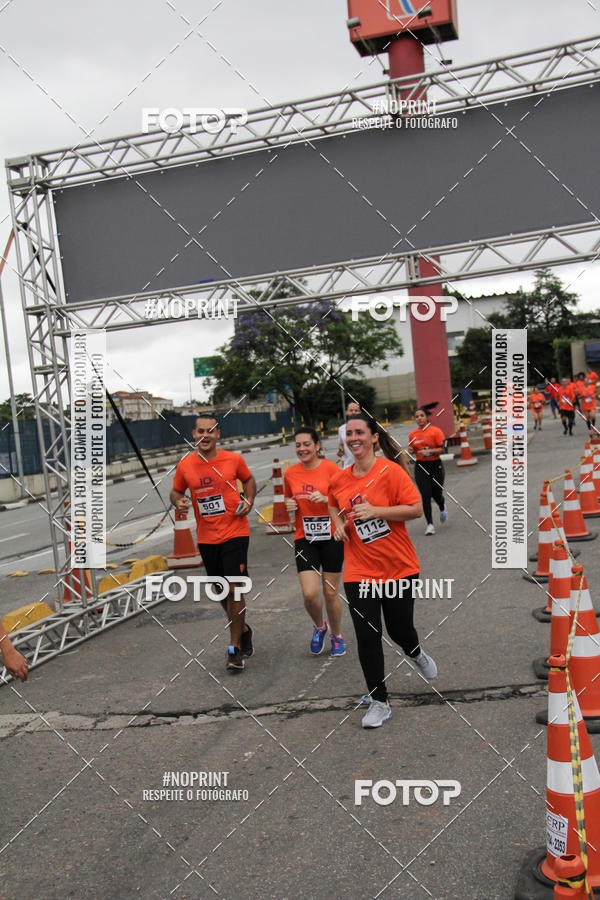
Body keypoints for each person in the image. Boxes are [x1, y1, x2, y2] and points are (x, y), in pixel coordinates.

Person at [328, 413, 437, 729]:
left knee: (400, 630)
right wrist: (337, 523)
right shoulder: (340, 477)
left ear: (374, 437)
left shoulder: (391, 472)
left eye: (360, 432)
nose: (354, 438)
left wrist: (377, 511)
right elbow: (333, 502)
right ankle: (379, 700)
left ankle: (415, 652)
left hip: (399, 568)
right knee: (367, 634)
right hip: (359, 571)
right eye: (349, 433)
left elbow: (415, 509)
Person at [170, 413, 256, 672]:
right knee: (220, 592)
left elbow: (249, 480)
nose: (205, 436)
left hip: (236, 532)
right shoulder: (185, 465)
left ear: (218, 434)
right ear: (193, 435)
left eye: (210, 431)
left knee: (234, 589)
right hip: (207, 538)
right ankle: (244, 630)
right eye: (200, 431)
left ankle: (233, 650)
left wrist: (248, 501)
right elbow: (176, 491)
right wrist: (178, 501)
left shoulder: (233, 459)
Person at [284, 428, 346, 657]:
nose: (302, 449)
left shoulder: (332, 469)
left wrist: (327, 499)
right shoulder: (290, 473)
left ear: (318, 445)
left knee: (330, 593)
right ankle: (320, 626)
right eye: (298, 445)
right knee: (309, 594)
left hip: (331, 536)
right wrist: (290, 505)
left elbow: (344, 501)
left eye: (306, 444)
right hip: (305, 538)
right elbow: (289, 498)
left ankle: (337, 635)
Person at [407, 406, 447, 536]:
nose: (419, 418)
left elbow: (443, 449)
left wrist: (429, 451)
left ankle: (442, 506)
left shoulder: (436, 431)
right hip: (421, 466)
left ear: (426, 417)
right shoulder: (413, 434)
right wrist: (411, 451)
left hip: (435, 465)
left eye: (421, 416)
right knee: (425, 495)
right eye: (417, 416)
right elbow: (412, 449)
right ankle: (429, 524)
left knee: (436, 492)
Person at [337, 400, 361, 468]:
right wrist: (340, 451)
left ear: (360, 412)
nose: (353, 412)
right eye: (351, 410)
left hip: (364, 466)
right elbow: (341, 445)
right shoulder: (341, 429)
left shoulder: (366, 427)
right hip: (348, 466)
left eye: (356, 410)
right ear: (346, 412)